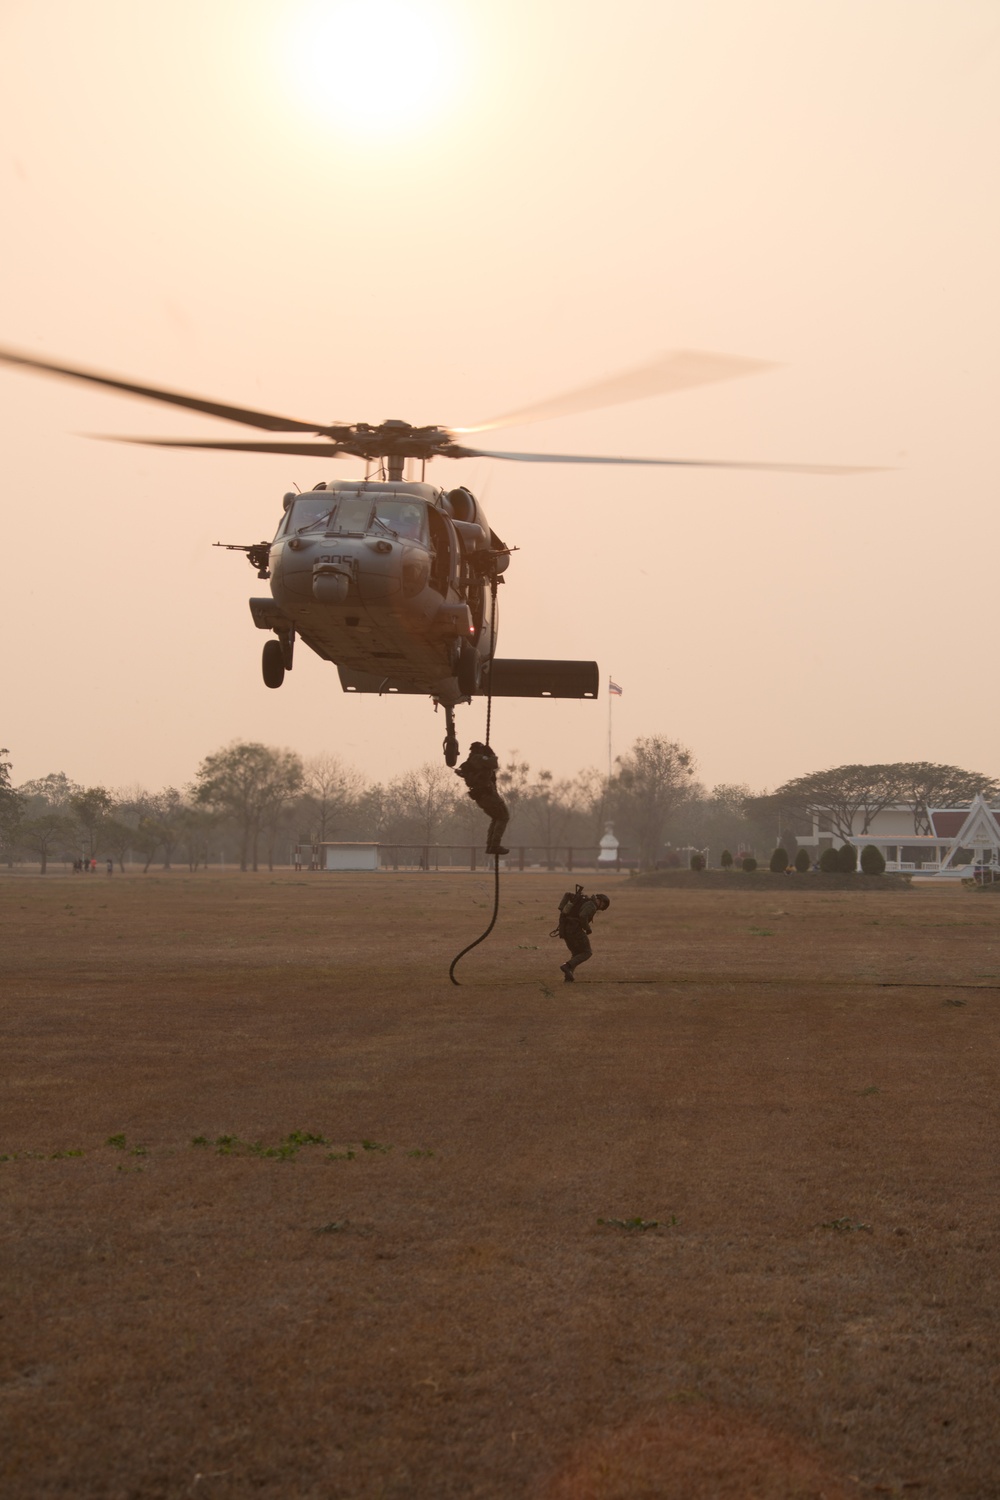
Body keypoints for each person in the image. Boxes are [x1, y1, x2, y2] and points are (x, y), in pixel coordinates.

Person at [454, 741, 509, 857]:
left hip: (481, 796)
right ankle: (494, 845)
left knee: (496, 817)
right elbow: (494, 763)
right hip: (487, 795)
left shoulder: (469, 763)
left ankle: (491, 845)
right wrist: (492, 754)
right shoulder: (478, 759)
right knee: (503, 816)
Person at [555, 888, 610, 982]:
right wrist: (587, 928)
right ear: (600, 901)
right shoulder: (591, 905)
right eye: (603, 906)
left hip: (565, 929)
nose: (600, 908)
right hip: (575, 930)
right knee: (587, 952)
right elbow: (583, 916)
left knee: (576, 954)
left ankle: (569, 976)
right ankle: (567, 966)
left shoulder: (585, 901)